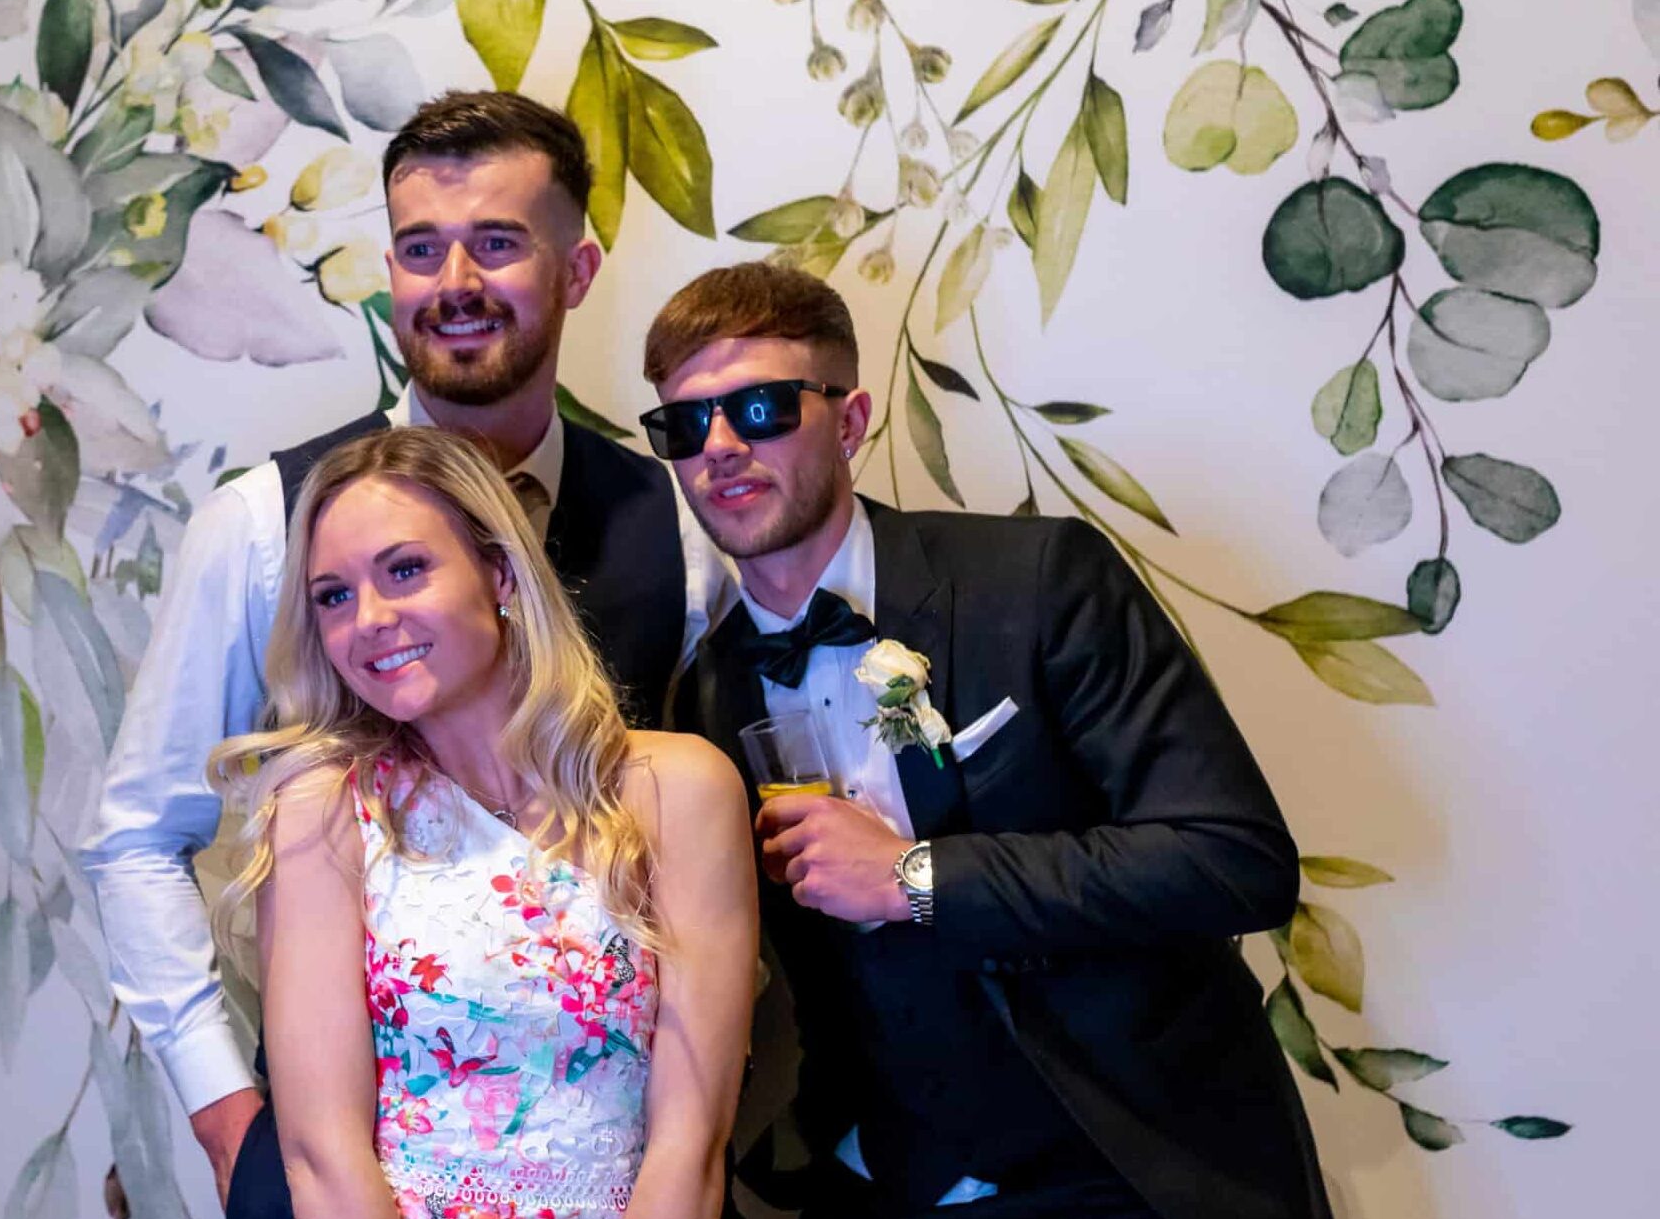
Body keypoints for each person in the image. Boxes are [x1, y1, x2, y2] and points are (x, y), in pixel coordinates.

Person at [82, 91, 733, 1215]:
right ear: (389, 272)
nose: (456, 284)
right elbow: (137, 838)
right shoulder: (259, 521)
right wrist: (229, 1116)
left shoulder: (678, 531)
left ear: (573, 274)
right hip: (337, 1167)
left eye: (496, 244)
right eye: (422, 250)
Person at [644, 262, 1328, 1219]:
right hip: (888, 1175)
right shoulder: (702, 694)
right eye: (684, 424)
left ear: (848, 420)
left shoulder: (1041, 580)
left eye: (761, 409)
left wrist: (916, 878)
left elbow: (1233, 860)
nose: (718, 446)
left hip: (1124, 1156)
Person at [208, 426, 756, 1219]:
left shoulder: (681, 789)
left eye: (405, 570)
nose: (369, 618)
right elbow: (323, 1156)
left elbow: (692, 1141)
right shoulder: (321, 808)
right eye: (334, 595)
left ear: (498, 570)